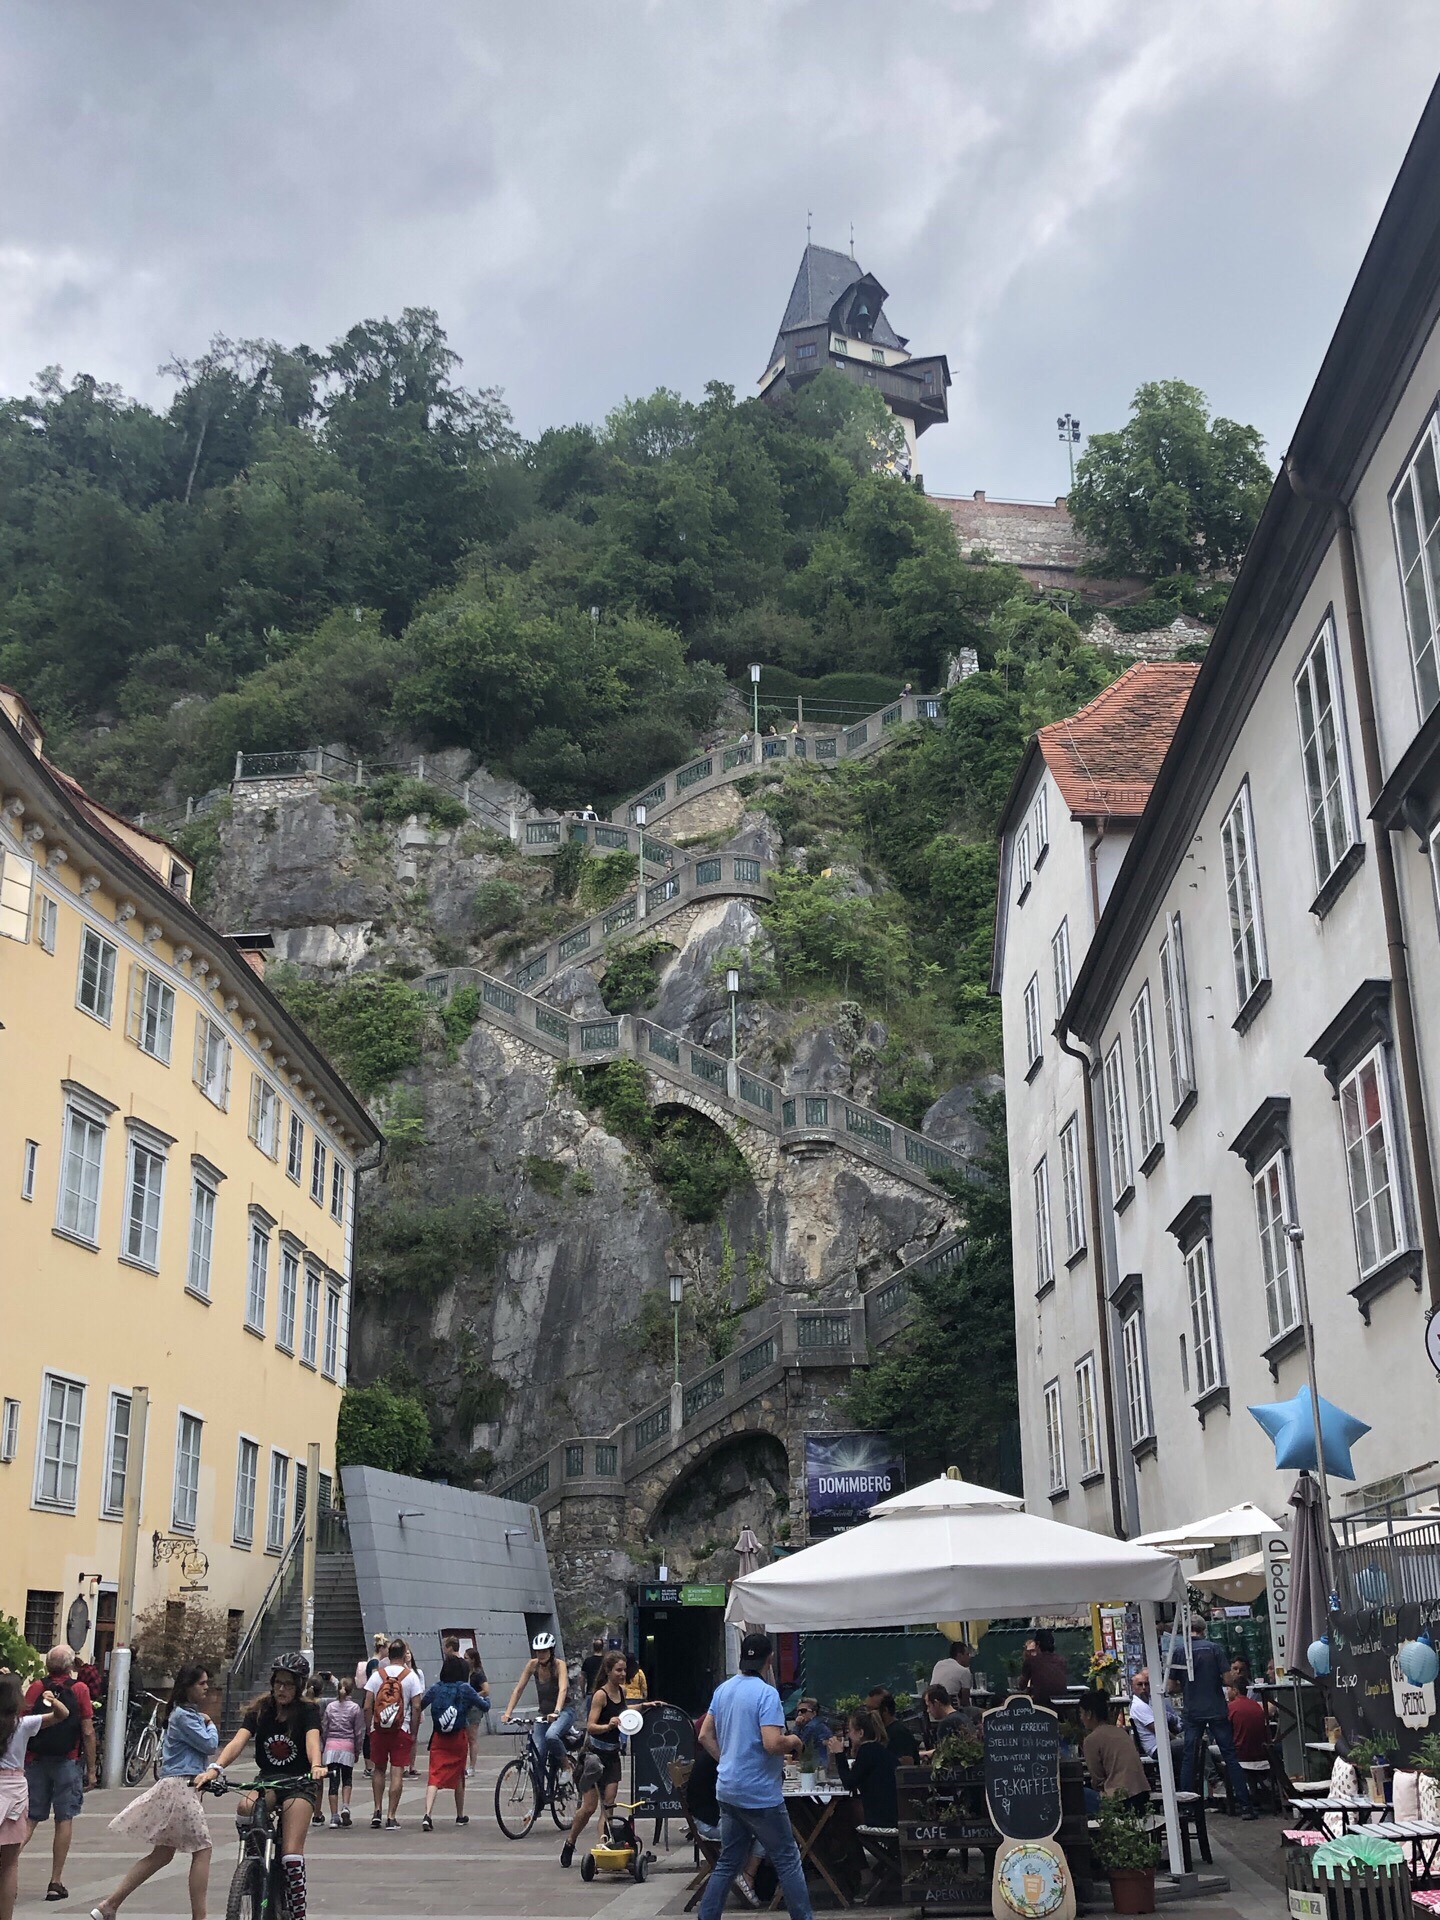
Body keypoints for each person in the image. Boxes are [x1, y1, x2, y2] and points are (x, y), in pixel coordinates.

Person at [696, 1632, 811, 1920]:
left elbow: (704, 1735)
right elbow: (772, 1743)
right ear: (769, 1660)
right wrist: (794, 1741)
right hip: (759, 1794)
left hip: (728, 1788)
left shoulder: (723, 1690)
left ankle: (706, 1916)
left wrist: (728, 1761)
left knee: (729, 1861)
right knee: (788, 1858)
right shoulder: (766, 1693)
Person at [198, 1655, 324, 1919]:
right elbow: (237, 1742)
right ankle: (253, 1865)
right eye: (278, 1683)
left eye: (288, 1684)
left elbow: (313, 1740)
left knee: (290, 1855)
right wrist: (215, 1768)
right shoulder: (261, 1710)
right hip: (267, 1779)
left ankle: (297, 1911)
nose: (282, 1689)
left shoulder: (307, 1711)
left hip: (298, 1782)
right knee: (245, 1805)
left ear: (299, 1686)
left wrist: (316, 1765)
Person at [90, 1663, 218, 1920]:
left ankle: (109, 1905)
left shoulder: (186, 1714)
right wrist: (211, 1723)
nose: (206, 1688)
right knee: (202, 1849)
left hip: (181, 1786)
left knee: (162, 1853)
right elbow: (209, 1744)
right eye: (201, 1683)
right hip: (181, 1786)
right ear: (188, 1686)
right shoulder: (183, 1716)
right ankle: (199, 1916)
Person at [23, 1644, 96, 1903]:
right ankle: (55, 1881)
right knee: (64, 1818)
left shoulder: (35, 1687)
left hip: (36, 1759)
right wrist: (91, 1769)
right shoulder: (79, 1690)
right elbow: (87, 1730)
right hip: (67, 1759)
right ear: (69, 1666)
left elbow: (22, 1723)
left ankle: (5, 1865)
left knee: (30, 1818)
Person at [1, 1675, 67, 1920]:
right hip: (14, 1793)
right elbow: (63, 1715)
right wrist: (51, 1699)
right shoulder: (23, 1724)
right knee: (8, 1865)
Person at [1180, 1621, 1255, 1819]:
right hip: (1215, 1708)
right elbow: (1228, 1680)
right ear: (1203, 1630)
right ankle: (1245, 1805)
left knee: (1190, 1757)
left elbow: (1170, 1686)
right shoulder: (1214, 1648)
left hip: (1192, 1709)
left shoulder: (1180, 1651)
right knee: (1230, 1755)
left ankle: (1186, 1805)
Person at [560, 1650, 627, 1869]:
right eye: (618, 1670)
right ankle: (570, 1842)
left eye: (624, 1669)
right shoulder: (600, 1695)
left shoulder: (622, 1692)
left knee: (608, 1805)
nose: (622, 1673)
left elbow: (626, 1712)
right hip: (593, 1757)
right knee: (589, 1807)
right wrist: (608, 1726)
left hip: (612, 1756)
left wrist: (645, 1706)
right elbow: (590, 1726)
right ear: (608, 1671)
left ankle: (603, 1848)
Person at [685, 1739, 762, 1907]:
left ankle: (746, 1874)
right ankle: (748, 1875)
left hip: (712, 1817)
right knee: (764, 1830)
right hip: (710, 1823)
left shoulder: (718, 1755)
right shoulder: (719, 1759)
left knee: (763, 1827)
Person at [420, 1656, 487, 1831]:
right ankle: (459, 1815)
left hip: (438, 1737)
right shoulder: (465, 1688)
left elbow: (421, 1704)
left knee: (434, 1776)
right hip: (458, 1737)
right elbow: (484, 1706)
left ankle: (427, 1814)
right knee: (458, 1774)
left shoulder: (437, 1687)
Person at [363, 1640, 423, 1827]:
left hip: (378, 1730)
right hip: (401, 1729)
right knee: (397, 1771)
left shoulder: (376, 1676)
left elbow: (366, 1706)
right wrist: (413, 1732)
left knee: (379, 1769)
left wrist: (369, 1729)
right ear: (404, 1652)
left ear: (388, 1655)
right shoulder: (411, 1676)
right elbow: (416, 1706)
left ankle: (376, 1811)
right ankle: (391, 1816)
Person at [502, 1633, 573, 1790]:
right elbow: (518, 1689)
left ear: (551, 1651)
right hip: (543, 1715)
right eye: (538, 1651)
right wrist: (508, 1713)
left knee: (551, 1735)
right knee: (537, 1756)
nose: (540, 1654)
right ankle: (538, 1802)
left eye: (544, 1651)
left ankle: (566, 1766)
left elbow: (563, 1688)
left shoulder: (559, 1665)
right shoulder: (532, 1665)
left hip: (564, 1711)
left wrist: (557, 1711)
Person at [1078, 1691, 1150, 1816]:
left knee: (1077, 1794)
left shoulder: (1091, 1740)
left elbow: (1097, 1780)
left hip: (1120, 1799)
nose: (1081, 1718)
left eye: (1081, 1713)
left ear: (1089, 1714)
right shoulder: (1121, 1732)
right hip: (1142, 1793)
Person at [827, 1710, 898, 1829]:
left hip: (881, 1817)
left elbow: (849, 1783)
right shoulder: (879, 1749)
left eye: (850, 1730)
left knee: (841, 1812)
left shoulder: (867, 1751)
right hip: (892, 1812)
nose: (848, 1735)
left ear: (860, 1733)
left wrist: (839, 1754)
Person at [321, 1678, 365, 1828]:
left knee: (333, 1783)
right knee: (347, 1779)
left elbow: (325, 1728)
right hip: (347, 1747)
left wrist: (324, 1746)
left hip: (331, 1748)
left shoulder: (330, 1707)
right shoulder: (355, 1708)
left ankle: (334, 1817)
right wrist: (357, 1750)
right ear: (352, 1690)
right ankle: (345, 1806)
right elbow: (358, 1732)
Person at [1128, 1669, 1182, 1775]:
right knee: (1190, 1744)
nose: (1144, 1688)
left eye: (1146, 1684)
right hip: (1156, 1747)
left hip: (1165, 1742)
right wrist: (1176, 1739)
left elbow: (1169, 1718)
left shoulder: (1150, 1701)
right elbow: (1159, 1730)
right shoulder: (1139, 1706)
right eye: (1140, 1685)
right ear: (1133, 1687)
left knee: (1197, 1740)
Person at [864, 1691, 918, 1762]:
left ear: (885, 1711)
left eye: (872, 1709)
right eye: (866, 1709)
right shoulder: (878, 1731)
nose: (868, 1714)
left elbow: (907, 1763)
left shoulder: (899, 1733)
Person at [1019, 1631, 1069, 1707]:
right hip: (1062, 1701)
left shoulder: (1031, 1661)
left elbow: (1022, 1685)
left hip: (1041, 1703)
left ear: (1038, 1645)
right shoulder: (1062, 1660)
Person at [1225, 1682, 1269, 1764]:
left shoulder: (1231, 1707)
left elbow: (1225, 1732)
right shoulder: (1256, 1705)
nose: (1226, 1692)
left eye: (1228, 1689)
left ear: (1235, 1691)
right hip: (1261, 1754)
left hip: (1241, 1755)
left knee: (1209, 1751)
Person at [462, 1648, 490, 1774]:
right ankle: (467, 1765)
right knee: (467, 1737)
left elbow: (486, 1690)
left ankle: (472, 1767)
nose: (464, 1660)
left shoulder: (478, 1673)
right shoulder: (468, 1673)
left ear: (473, 1660)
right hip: (467, 1706)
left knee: (472, 1737)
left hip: (474, 1708)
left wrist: (474, 1695)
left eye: (466, 1657)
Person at [792, 1698, 831, 1764]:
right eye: (798, 1711)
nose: (799, 1714)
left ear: (814, 1713)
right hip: (823, 1761)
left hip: (815, 1763)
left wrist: (797, 1726)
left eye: (803, 1711)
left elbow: (797, 1745)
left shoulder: (810, 1727)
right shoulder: (820, 1723)